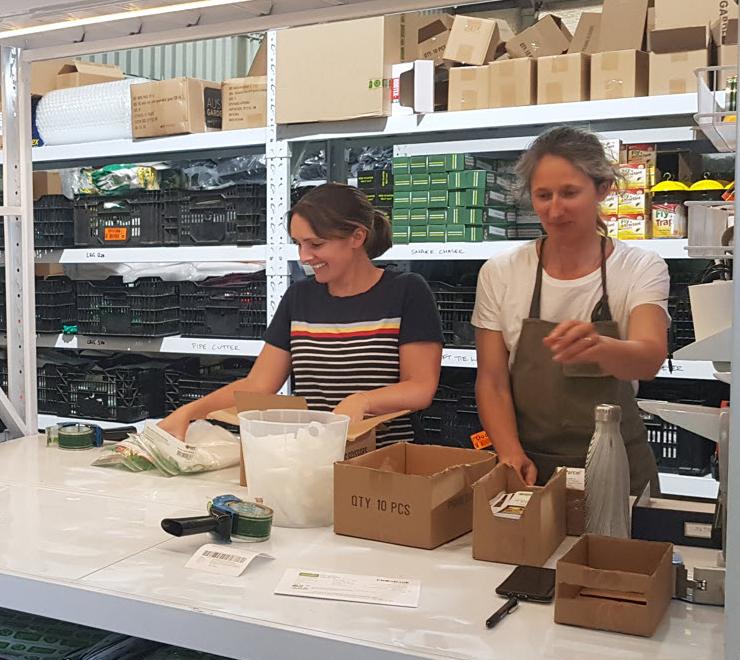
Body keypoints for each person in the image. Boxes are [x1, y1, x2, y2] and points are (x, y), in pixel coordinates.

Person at [159, 182, 444, 445]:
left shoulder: (406, 291)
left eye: (316, 244)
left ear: (357, 236)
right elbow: (258, 385)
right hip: (315, 457)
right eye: (298, 243)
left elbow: (420, 387)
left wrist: (363, 401)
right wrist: (189, 412)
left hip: (385, 463)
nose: (304, 257)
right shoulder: (300, 297)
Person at [472, 126, 669, 494]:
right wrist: (510, 453)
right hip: (531, 468)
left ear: (603, 189)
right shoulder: (501, 273)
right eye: (543, 195)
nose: (555, 209)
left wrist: (600, 347)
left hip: (619, 468)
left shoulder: (641, 268)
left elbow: (649, 358)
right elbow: (493, 379)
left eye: (569, 193)